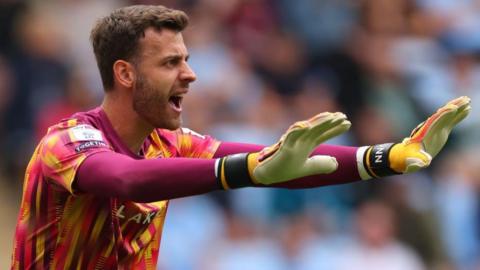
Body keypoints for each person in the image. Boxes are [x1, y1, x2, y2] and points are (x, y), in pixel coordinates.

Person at [10, 5, 471, 270]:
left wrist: (389, 156)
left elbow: (280, 163)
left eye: (186, 59)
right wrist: (249, 171)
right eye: (170, 63)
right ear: (126, 73)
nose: (190, 74)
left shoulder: (169, 141)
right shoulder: (67, 143)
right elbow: (128, 179)